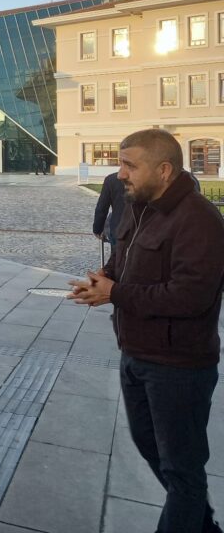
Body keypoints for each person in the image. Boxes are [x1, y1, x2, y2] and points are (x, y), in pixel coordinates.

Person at [69, 129, 224, 533]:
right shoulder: (141, 206)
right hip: (135, 354)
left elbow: (190, 297)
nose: (120, 174)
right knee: (152, 449)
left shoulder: (201, 221)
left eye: (129, 165)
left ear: (165, 169)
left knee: (182, 469)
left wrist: (117, 293)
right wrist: (106, 277)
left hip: (178, 366)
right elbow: (125, 259)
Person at [92, 170, 125, 249]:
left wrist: (97, 229)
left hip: (118, 228)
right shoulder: (147, 178)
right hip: (143, 231)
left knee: (118, 258)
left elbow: (102, 208)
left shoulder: (111, 179)